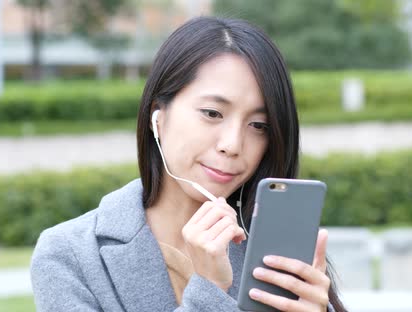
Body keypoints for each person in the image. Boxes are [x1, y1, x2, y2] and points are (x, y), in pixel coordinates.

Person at [30, 16, 346, 312]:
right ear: (158, 116)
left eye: (259, 125)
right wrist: (208, 289)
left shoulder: (274, 250)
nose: (233, 145)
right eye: (212, 113)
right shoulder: (69, 255)